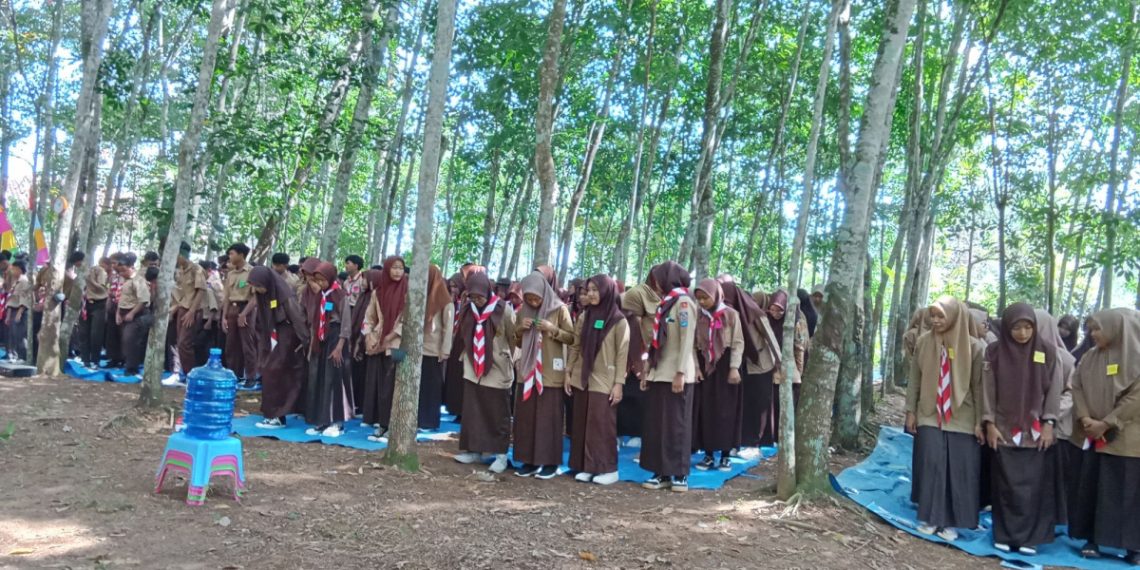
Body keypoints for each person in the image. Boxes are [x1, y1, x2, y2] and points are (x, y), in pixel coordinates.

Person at [981, 303, 1061, 554]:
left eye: (1028, 327)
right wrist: (989, 423)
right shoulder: (994, 352)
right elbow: (987, 390)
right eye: (1017, 327)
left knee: (1033, 486)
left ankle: (1029, 539)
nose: (1023, 333)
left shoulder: (1047, 351)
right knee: (1005, 485)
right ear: (1007, 327)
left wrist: (1049, 423)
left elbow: (1054, 391)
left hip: (1035, 432)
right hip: (1004, 430)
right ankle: (1004, 534)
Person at [905, 296, 984, 542]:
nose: (936, 320)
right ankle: (930, 516)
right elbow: (915, 378)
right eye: (933, 316)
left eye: (941, 316)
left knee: (959, 469)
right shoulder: (923, 342)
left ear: (955, 317)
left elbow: (980, 387)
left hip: (963, 415)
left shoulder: (975, 347)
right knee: (931, 464)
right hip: (929, 411)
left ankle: (951, 522)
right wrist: (911, 410)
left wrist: (981, 421)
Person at [1068, 308, 1140, 563]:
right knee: (1093, 488)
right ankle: (1092, 538)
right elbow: (1076, 385)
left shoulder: (1137, 357)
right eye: (1091, 328)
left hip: (1128, 439)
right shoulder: (1090, 356)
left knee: (1129, 492)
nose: (1093, 333)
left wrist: (1108, 423)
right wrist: (1085, 418)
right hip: (1092, 435)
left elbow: (1136, 398)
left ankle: (1133, 546)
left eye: (1098, 328)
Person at [512, 270, 576, 480]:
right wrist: (520, 330)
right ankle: (528, 460)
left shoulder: (559, 309)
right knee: (527, 419)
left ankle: (549, 462)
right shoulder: (524, 310)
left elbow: (572, 339)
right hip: (528, 372)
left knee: (549, 419)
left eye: (536, 298)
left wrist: (552, 329)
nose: (533, 301)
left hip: (550, 373)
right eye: (529, 298)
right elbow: (517, 341)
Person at [566, 273, 628, 485]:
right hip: (584, 377)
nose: (590, 294)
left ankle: (608, 468)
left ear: (607, 291)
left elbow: (622, 354)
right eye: (588, 290)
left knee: (602, 424)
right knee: (583, 422)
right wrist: (569, 371)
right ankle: (587, 466)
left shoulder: (619, 320)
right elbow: (575, 345)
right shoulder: (585, 316)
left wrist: (618, 384)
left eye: (595, 290)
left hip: (605, 379)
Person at [640, 261, 696, 493]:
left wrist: (680, 372)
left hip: (676, 374)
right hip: (658, 373)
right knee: (658, 426)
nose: (655, 284)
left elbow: (686, 340)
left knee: (677, 425)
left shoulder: (683, 303)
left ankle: (679, 473)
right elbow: (653, 344)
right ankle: (660, 471)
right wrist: (646, 372)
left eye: (657, 279)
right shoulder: (665, 304)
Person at [453, 272, 516, 473]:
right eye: (472, 296)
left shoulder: (503, 309)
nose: (476, 300)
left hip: (497, 368)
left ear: (488, 292)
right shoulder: (467, 309)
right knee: (473, 412)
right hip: (473, 368)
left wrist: (507, 357)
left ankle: (500, 455)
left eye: (479, 296)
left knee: (497, 413)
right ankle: (474, 450)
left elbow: (514, 337)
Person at [720, 279, 781, 450]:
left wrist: (780, 364)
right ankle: (741, 441)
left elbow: (770, 338)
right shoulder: (729, 313)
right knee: (744, 405)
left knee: (759, 404)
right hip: (741, 365)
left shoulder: (755, 313)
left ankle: (755, 442)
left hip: (760, 364)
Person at [692, 279, 745, 471]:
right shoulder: (698, 316)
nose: (702, 302)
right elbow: (692, 344)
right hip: (706, 365)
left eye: (705, 297)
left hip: (725, 366)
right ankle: (707, 454)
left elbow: (738, 342)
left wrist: (734, 367)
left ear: (716, 295)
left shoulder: (731, 315)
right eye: (699, 298)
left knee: (725, 411)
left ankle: (724, 454)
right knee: (706, 410)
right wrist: (697, 368)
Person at [249, 266, 310, 429]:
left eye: (258, 285)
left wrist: (306, 342)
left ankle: (278, 416)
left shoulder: (284, 296)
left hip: (288, 339)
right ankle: (272, 412)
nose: (256, 289)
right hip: (272, 338)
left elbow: (297, 319)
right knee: (268, 373)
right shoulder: (265, 296)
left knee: (275, 374)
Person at [301, 261, 354, 437]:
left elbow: (346, 324)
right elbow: (314, 320)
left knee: (334, 381)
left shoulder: (340, 295)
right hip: (321, 340)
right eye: (317, 280)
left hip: (336, 339)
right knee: (321, 381)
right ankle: (323, 421)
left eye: (323, 280)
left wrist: (339, 347)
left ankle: (337, 422)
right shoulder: (320, 296)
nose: (320, 284)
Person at [363, 257, 407, 440]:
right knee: (382, 385)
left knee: (395, 384)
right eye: (394, 268)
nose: (397, 272)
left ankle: (394, 426)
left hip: (399, 345)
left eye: (401, 268)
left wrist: (394, 334)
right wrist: (369, 336)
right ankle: (382, 423)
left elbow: (410, 319)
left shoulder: (409, 292)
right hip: (379, 344)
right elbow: (369, 318)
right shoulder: (378, 292)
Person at [619, 267, 661, 446]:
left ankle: (638, 433)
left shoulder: (668, 300)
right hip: (627, 351)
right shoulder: (638, 294)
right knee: (626, 393)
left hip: (650, 352)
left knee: (642, 395)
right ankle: (621, 432)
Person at [419, 264, 454, 430]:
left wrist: (445, 351)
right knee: (419, 387)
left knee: (431, 388)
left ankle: (429, 421)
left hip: (434, 350)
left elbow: (448, 328)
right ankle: (418, 419)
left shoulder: (445, 301)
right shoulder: (419, 297)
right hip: (417, 349)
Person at [222, 243, 259, 389]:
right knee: (231, 345)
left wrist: (244, 313)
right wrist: (224, 317)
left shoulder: (252, 272)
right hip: (232, 308)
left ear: (241, 255)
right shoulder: (230, 274)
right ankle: (234, 375)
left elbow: (255, 297)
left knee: (247, 345)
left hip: (246, 309)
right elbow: (226, 297)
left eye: (232, 253)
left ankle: (250, 377)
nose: (230, 257)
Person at [768, 290, 808, 422]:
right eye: (772, 310)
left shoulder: (795, 323)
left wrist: (799, 372)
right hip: (770, 371)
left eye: (779, 310)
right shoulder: (767, 321)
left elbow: (799, 349)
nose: (775, 314)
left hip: (789, 372)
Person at [169, 242, 206, 378]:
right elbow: (181, 294)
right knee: (180, 342)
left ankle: (190, 374)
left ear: (182, 255)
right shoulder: (180, 271)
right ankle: (182, 372)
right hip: (182, 309)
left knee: (185, 343)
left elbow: (201, 291)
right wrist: (174, 309)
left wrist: (192, 311)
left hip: (192, 310)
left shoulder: (197, 269)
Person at [116, 254, 151, 376]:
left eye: (124, 271)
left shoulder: (139, 280)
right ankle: (128, 365)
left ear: (131, 267)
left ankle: (132, 368)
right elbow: (121, 299)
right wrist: (118, 314)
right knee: (125, 341)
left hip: (136, 314)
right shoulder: (125, 282)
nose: (122, 273)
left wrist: (132, 313)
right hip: (124, 313)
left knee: (130, 340)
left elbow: (143, 300)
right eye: (120, 271)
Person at [444, 272, 468, 418]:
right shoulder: (450, 302)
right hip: (451, 344)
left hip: (460, 344)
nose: (453, 289)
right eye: (450, 286)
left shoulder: (465, 301)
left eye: (455, 286)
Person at [79, 256, 110, 368]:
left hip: (98, 304)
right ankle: (85, 360)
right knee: (83, 332)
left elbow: (101, 289)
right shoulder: (81, 272)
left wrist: (90, 279)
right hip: (85, 304)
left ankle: (95, 360)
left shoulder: (100, 271)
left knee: (95, 334)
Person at [5, 260, 31, 362]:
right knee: (13, 335)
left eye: (14, 269)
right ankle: (15, 355)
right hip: (13, 310)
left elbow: (25, 299)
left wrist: (19, 313)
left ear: (19, 269)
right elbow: (12, 300)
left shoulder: (25, 281)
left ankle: (23, 357)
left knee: (21, 336)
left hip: (21, 311)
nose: (13, 271)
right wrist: (8, 315)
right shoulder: (17, 281)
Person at [104, 253, 125, 368]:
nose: (112, 265)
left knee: (121, 334)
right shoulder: (113, 277)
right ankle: (113, 358)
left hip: (122, 306)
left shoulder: (125, 276)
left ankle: (123, 358)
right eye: (111, 263)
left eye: (114, 263)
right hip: (112, 306)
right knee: (111, 334)